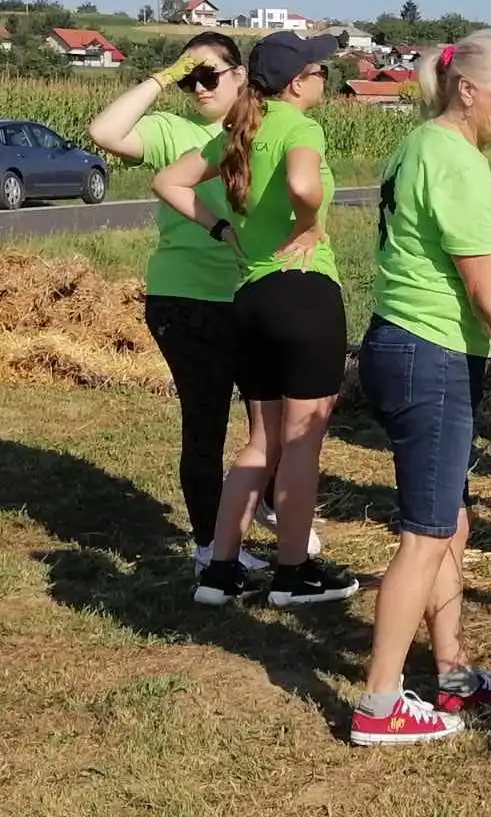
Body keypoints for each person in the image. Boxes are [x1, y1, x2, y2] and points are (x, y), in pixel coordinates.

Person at [351, 29, 491, 747]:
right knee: (424, 534)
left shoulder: (426, 146)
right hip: (432, 356)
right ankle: (379, 703)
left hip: (409, 346)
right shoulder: (456, 165)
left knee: (452, 522)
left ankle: (450, 675)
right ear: (469, 89)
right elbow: (490, 300)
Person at [87, 33, 317, 571]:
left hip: (256, 292)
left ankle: (263, 508)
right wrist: (167, 74)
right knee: (207, 420)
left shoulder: (265, 127)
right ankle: (211, 548)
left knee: (279, 418)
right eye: (191, 79)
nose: (198, 87)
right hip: (188, 297)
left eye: (209, 74)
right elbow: (104, 132)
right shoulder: (176, 132)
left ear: (242, 75)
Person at [154, 30, 356, 605]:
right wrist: (312, 222)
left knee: (261, 442)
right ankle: (293, 575)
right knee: (302, 442)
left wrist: (221, 229)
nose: (326, 80)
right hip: (303, 293)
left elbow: (168, 181)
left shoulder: (239, 131)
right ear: (298, 83)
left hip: (249, 299)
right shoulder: (299, 127)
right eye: (322, 72)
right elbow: (300, 183)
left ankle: (219, 572)